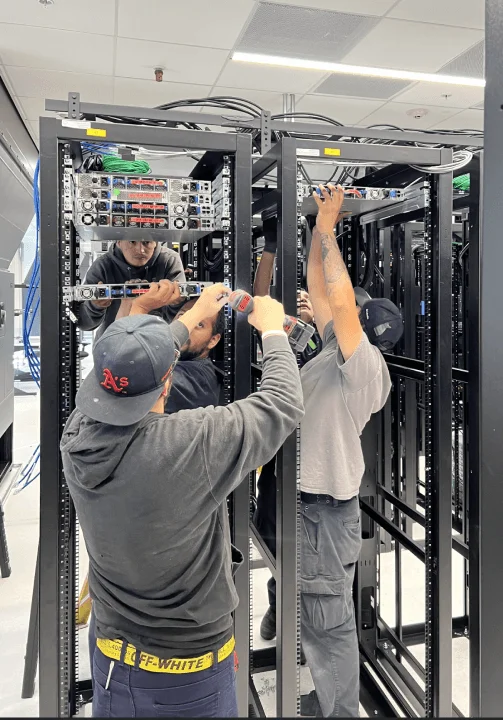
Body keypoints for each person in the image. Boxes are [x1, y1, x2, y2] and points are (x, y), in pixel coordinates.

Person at [60, 280, 304, 718]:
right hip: (188, 678)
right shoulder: (187, 445)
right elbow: (281, 403)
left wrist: (188, 317)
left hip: (112, 662)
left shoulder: (76, 434)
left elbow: (133, 367)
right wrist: (272, 330)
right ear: (168, 382)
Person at [300, 184, 402, 718]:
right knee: (316, 617)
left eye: (354, 314)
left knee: (328, 624)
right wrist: (312, 229)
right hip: (308, 506)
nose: (343, 314)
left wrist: (327, 231)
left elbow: (338, 302)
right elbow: (321, 291)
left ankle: (339, 711)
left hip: (324, 510)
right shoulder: (333, 353)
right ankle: (328, 699)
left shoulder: (365, 367)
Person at [252, 215, 321, 644]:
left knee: (314, 543)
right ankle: (279, 604)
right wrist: (271, 249)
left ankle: (313, 618)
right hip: (280, 450)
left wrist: (316, 316)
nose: (301, 301)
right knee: (273, 531)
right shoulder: (278, 333)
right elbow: (258, 299)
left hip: (316, 452)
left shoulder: (324, 339)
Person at [77, 235, 185, 338]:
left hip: (157, 342)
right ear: (119, 242)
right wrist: (95, 307)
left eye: (146, 242)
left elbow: (182, 321)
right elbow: (84, 324)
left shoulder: (169, 260)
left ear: (156, 242)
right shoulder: (102, 266)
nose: (140, 250)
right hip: (113, 343)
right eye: (132, 242)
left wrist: (176, 304)